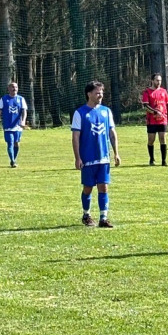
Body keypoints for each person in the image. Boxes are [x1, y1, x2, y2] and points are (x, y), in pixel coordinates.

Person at [71, 81, 121, 228]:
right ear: (89, 94)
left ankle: (103, 218)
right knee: (88, 187)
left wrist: (116, 153)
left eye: (102, 92)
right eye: (97, 93)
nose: (100, 95)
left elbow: (112, 133)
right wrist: (77, 158)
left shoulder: (106, 111)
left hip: (104, 157)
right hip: (88, 158)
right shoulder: (80, 113)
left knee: (104, 187)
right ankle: (86, 214)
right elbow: (75, 137)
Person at [141, 74, 168, 166]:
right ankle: (152, 159)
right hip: (152, 121)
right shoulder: (147, 92)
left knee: (163, 138)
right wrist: (155, 112)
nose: (158, 82)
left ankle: (164, 161)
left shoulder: (164, 91)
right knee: (151, 140)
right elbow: (145, 106)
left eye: (160, 80)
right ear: (152, 80)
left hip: (162, 120)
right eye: (157, 80)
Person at [0, 82, 28, 168]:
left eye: (16, 87)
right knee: (10, 143)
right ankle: (12, 160)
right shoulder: (3, 99)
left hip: (18, 126)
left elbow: (24, 111)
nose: (14, 89)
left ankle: (13, 159)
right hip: (8, 126)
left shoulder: (21, 99)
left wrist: (23, 121)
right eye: (12, 87)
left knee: (16, 143)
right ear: (8, 88)